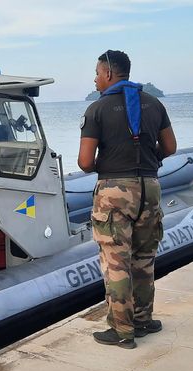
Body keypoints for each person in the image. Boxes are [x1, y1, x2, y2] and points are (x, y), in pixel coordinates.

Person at [77, 50, 177, 349]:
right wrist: (148, 161)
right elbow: (170, 147)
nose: (95, 79)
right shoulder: (154, 103)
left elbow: (84, 161)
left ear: (108, 73)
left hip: (114, 191)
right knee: (144, 259)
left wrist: (108, 168)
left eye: (97, 72)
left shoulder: (97, 109)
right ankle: (144, 321)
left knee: (116, 262)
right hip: (150, 186)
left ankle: (122, 331)